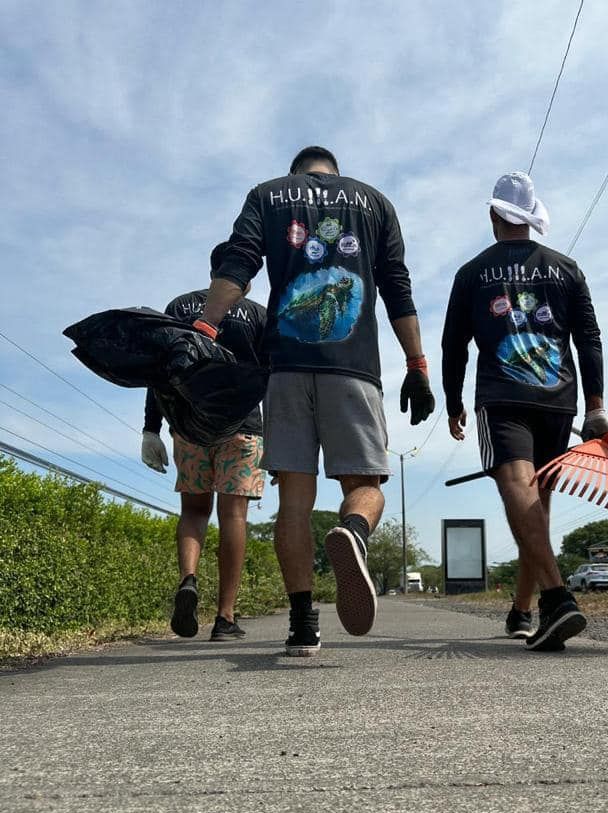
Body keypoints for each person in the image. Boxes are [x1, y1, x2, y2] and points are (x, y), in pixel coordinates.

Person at [188, 146, 434, 656]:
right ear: (335, 171)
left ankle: (303, 624)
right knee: (364, 484)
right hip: (354, 367)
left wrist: (208, 324)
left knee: (293, 501)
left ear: (298, 169)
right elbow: (397, 287)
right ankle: (353, 532)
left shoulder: (268, 194)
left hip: (287, 367)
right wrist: (417, 366)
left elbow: (239, 263)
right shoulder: (376, 203)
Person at [441, 172, 608, 652]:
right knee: (537, 506)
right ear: (531, 219)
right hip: (559, 399)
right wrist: (596, 406)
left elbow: (454, 346)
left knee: (520, 492)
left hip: (502, 397)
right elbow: (589, 339)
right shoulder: (567, 268)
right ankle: (522, 609)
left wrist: (454, 403)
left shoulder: (471, 273)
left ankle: (557, 599)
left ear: (494, 216)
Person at [141, 243, 267, 641]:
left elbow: (161, 369)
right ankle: (225, 618)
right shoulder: (259, 316)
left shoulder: (179, 307)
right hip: (243, 427)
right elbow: (274, 379)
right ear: (246, 276)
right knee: (234, 517)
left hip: (189, 426)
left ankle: (189, 579)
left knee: (194, 511)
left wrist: (152, 428)